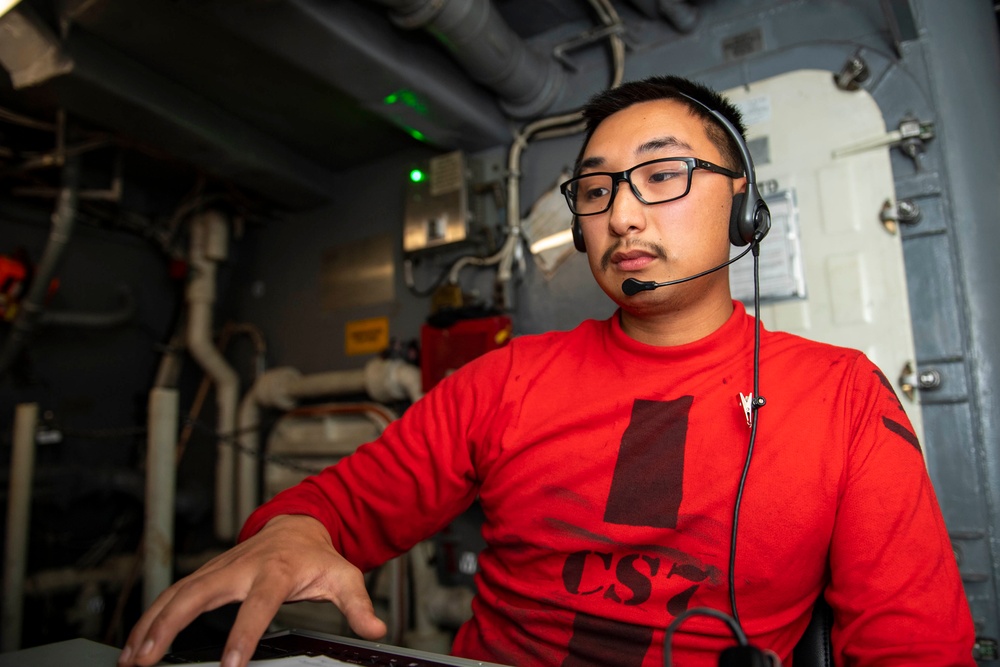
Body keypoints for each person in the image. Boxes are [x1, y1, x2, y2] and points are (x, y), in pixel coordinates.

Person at [118, 75, 976, 667]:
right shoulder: (504, 379)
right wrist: (293, 529)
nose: (622, 212)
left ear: (745, 203)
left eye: (663, 175)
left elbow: (914, 646)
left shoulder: (844, 395)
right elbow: (342, 506)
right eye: (595, 190)